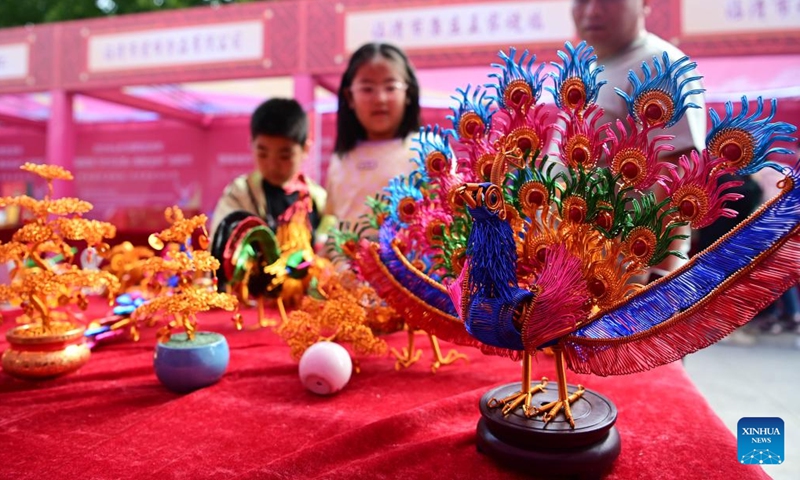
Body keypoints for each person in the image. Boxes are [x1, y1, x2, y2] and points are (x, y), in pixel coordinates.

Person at [571, 0, 707, 279]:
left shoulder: (658, 66)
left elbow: (677, 170)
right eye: (582, 1)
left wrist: (640, 267)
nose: (593, 11)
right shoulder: (587, 69)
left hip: (626, 278)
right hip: (579, 267)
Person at [324, 42, 421, 229]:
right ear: (350, 97)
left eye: (390, 87)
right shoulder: (341, 158)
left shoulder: (428, 152)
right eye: (367, 89)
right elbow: (333, 224)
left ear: (408, 93)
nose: (380, 99)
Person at [210, 98, 326, 241]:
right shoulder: (240, 194)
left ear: (305, 149)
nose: (272, 165)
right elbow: (221, 242)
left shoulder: (318, 200)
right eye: (263, 154)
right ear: (251, 144)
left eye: (284, 156)